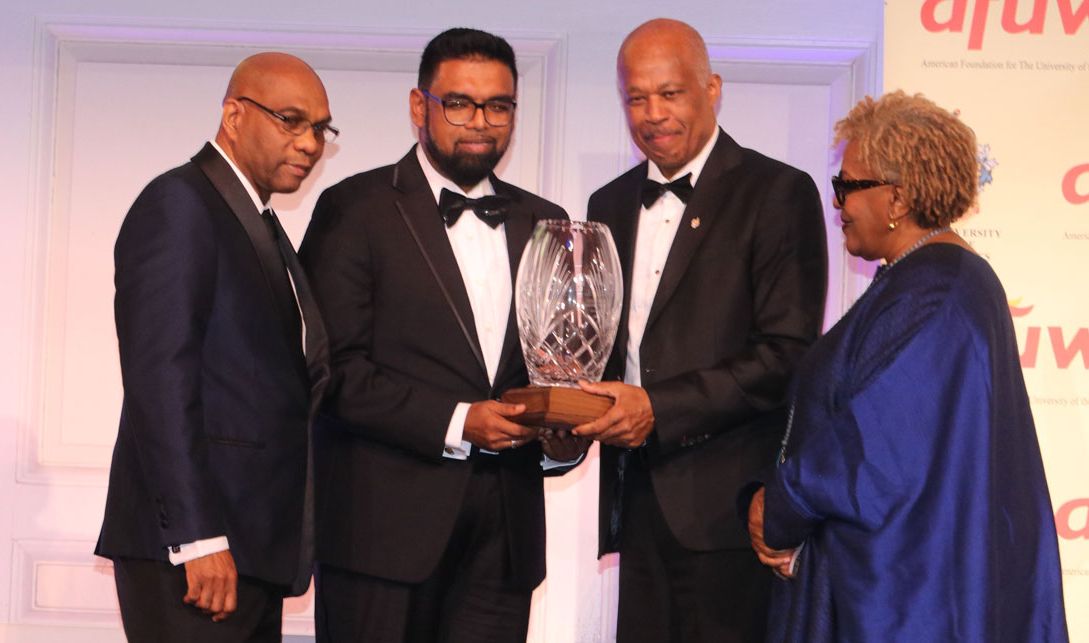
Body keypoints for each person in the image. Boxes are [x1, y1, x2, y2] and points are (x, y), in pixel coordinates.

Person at [741, 90, 1069, 641]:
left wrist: (779, 507)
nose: (838, 203)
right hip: (910, 590)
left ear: (896, 199)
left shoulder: (938, 290)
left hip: (909, 605)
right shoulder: (926, 281)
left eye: (848, 186)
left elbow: (873, 445)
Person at [298, 27, 587, 643]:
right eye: (458, 102)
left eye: (498, 105)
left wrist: (564, 440)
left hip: (504, 540)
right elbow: (333, 372)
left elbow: (558, 372)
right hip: (379, 538)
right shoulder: (354, 208)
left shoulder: (547, 222)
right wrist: (459, 421)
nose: (479, 121)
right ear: (418, 107)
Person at [574, 18, 828, 643]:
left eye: (671, 93)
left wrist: (658, 408)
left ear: (712, 88)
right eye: (637, 97)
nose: (652, 114)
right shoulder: (605, 205)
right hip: (636, 504)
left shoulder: (778, 192)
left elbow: (787, 354)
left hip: (732, 512)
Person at [94, 52, 334, 642]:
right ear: (233, 114)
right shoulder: (180, 204)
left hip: (251, 549)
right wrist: (196, 537)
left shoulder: (255, 220)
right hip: (196, 553)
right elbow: (159, 382)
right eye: (290, 120)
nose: (308, 143)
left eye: (321, 129)